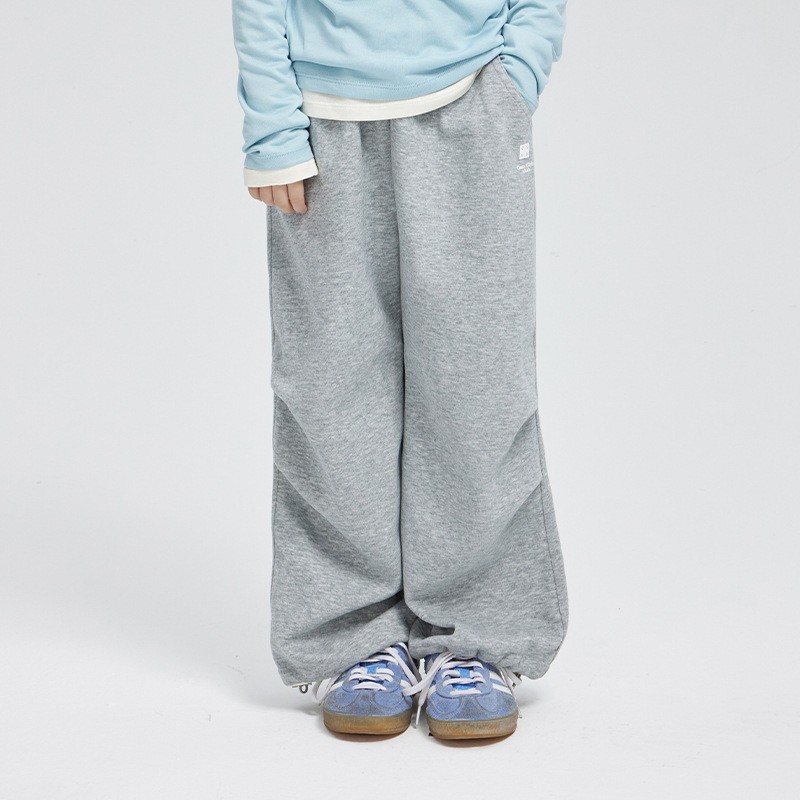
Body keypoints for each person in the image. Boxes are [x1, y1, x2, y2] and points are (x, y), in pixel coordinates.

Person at [231, 0, 570, 741]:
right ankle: (352, 639)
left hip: (471, 103)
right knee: (331, 392)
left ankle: (477, 636)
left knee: (477, 388)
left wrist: (516, 76)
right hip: (322, 120)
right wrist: (273, 127)